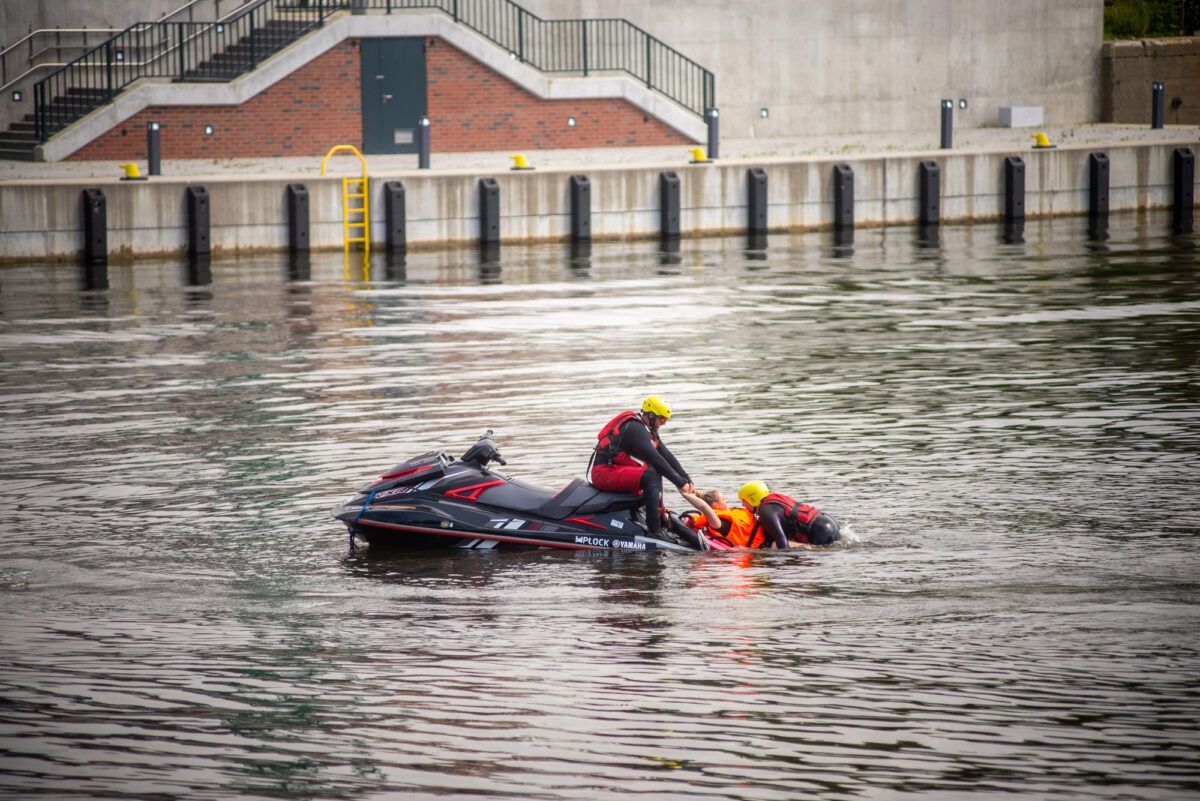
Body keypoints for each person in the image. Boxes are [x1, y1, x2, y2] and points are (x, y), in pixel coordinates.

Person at [589, 395, 694, 538]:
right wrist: (680, 483)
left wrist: (686, 479)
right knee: (652, 474)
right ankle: (655, 531)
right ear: (650, 415)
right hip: (603, 473)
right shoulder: (635, 428)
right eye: (662, 419)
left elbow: (666, 456)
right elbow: (655, 459)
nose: (664, 423)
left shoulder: (649, 430)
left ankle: (659, 516)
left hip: (615, 471)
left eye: (666, 419)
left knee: (655, 472)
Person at [737, 480, 841, 547]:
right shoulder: (772, 501)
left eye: (743, 500)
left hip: (821, 532)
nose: (743, 504)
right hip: (828, 522)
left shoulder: (766, 511)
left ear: (752, 498)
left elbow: (781, 540)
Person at [676, 489, 762, 549]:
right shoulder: (718, 522)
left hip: (763, 534)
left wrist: (694, 492)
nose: (726, 501)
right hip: (761, 546)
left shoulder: (731, 512)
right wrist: (685, 494)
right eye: (723, 499)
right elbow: (704, 507)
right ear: (715, 505)